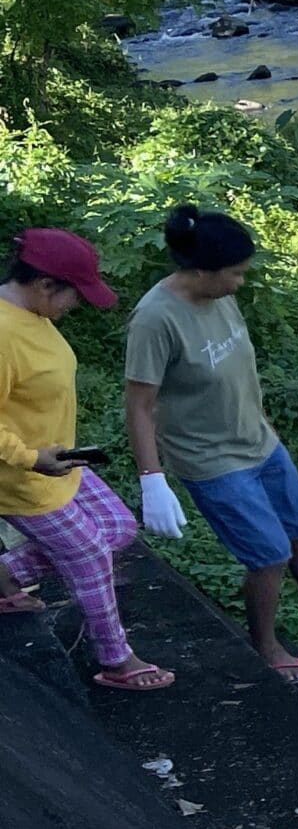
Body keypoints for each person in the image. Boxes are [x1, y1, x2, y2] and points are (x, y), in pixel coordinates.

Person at [124, 205, 298, 684]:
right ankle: (264, 644)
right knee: (268, 555)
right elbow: (139, 405)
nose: (240, 282)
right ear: (201, 271)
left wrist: (265, 425)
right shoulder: (155, 321)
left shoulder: (220, 295)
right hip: (211, 459)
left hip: (259, 443)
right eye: (235, 273)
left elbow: (240, 367)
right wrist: (152, 479)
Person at [0, 228, 172, 692]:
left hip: (59, 461)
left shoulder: (31, 314)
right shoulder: (2, 332)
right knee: (90, 554)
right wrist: (30, 457)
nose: (74, 307)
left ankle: (6, 577)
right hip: (20, 478)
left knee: (118, 528)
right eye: (73, 295)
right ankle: (117, 659)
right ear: (45, 284)